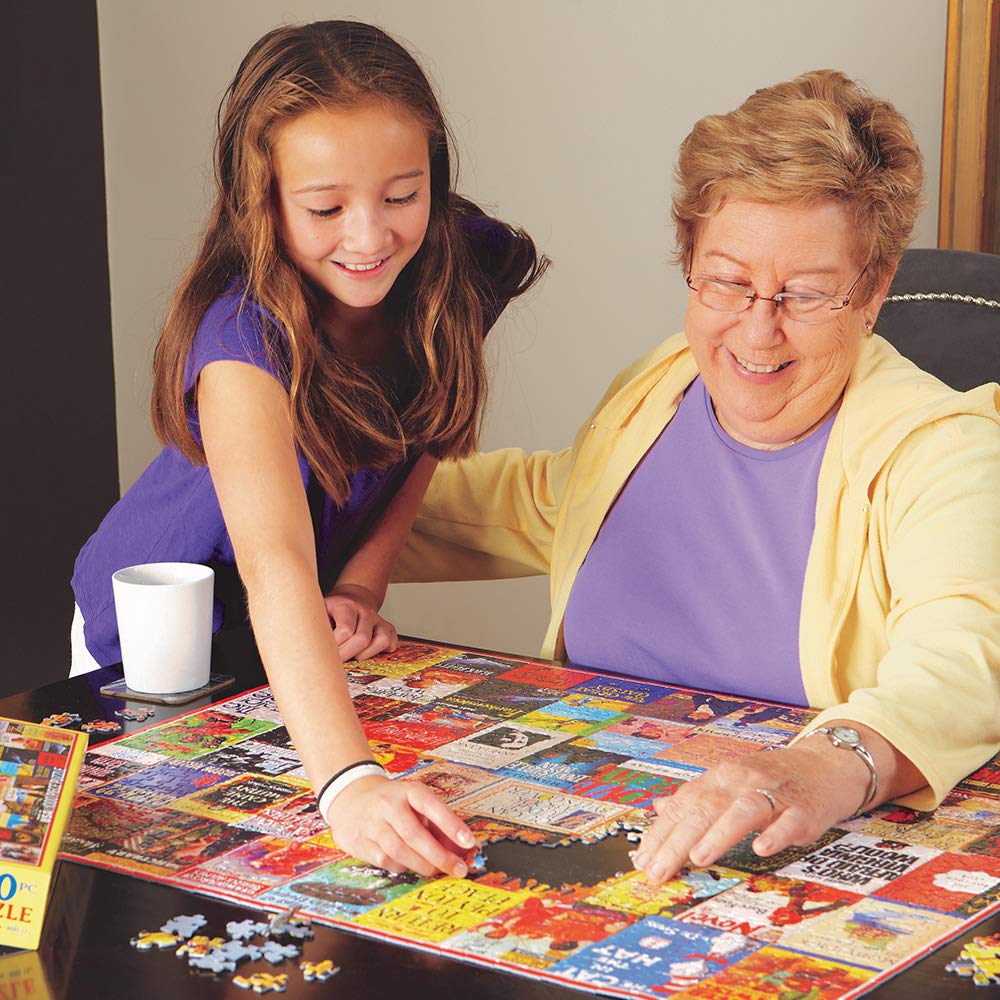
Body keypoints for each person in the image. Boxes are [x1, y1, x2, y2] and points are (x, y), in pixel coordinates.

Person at [395, 71, 1000, 882]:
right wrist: (309, 505)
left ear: (875, 288)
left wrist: (822, 767)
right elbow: (541, 504)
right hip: (578, 839)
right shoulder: (663, 384)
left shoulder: (944, 448)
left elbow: (964, 662)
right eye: (727, 279)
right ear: (688, 258)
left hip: (787, 865)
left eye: (806, 294)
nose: (757, 327)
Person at [71, 20, 546, 878]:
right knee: (198, 870)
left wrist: (363, 581)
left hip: (289, 633)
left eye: (402, 195)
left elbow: (424, 439)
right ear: (264, 204)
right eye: (325, 208)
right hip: (154, 628)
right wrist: (349, 781)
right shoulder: (238, 337)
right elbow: (277, 565)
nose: (369, 238)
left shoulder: (457, 265)